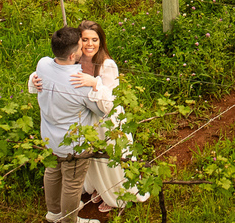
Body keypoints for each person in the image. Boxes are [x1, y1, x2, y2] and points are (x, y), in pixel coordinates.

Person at [31, 20, 150, 212]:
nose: (89, 44)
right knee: (92, 160)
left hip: (106, 120)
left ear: (101, 41)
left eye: (94, 40)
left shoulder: (107, 64)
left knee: (108, 157)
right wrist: (35, 79)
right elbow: (54, 71)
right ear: (78, 43)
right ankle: (98, 187)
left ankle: (114, 193)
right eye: (85, 40)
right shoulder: (75, 60)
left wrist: (95, 83)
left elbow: (111, 100)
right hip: (87, 120)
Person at [34, 25, 103, 223]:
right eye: (81, 46)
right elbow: (100, 109)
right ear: (73, 54)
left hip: (48, 136)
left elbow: (37, 76)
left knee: (52, 173)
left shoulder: (42, 65)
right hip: (74, 144)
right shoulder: (79, 83)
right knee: (72, 184)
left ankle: (54, 212)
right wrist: (96, 84)